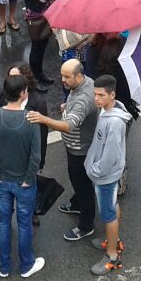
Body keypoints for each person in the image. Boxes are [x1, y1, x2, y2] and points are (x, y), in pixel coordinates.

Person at [26, 59, 97, 241]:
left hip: (79, 150)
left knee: (83, 186)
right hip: (76, 146)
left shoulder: (83, 99)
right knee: (78, 183)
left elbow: (68, 126)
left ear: (79, 76)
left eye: (67, 77)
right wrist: (67, 106)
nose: (62, 80)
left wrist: (43, 119)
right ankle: (77, 203)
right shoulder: (85, 83)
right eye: (62, 75)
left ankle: (86, 225)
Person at [0, 73, 46, 278]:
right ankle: (26, 264)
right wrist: (29, 179)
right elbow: (35, 156)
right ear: (23, 93)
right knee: (24, 222)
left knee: (3, 222)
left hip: (1, 181)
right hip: (24, 183)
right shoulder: (30, 118)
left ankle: (3, 265)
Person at [86, 75, 130, 275]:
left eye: (100, 95)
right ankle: (114, 241)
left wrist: (95, 172)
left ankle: (112, 256)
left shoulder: (113, 123)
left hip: (105, 176)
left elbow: (110, 155)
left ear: (112, 95)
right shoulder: (111, 108)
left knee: (108, 215)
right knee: (113, 206)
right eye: (95, 94)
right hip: (109, 175)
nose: (96, 99)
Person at [22, 0, 60, 87]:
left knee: (43, 46)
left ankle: (40, 74)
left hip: (47, 14)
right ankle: (35, 77)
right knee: (37, 48)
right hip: (37, 18)